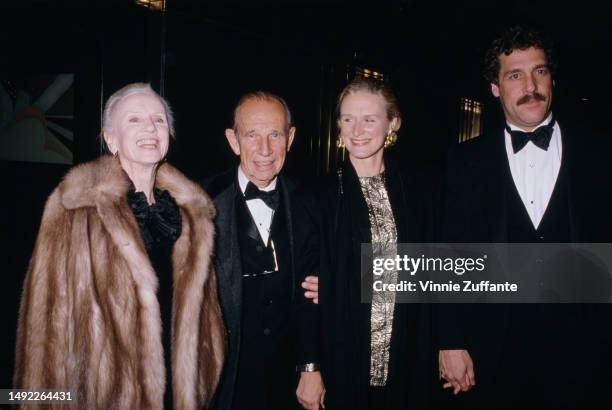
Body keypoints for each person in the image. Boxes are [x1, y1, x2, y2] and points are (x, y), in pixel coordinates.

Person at [13, 82, 225, 409]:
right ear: (111, 139)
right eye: (134, 120)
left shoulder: (194, 214)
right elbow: (46, 323)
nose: (149, 128)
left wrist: (203, 380)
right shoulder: (74, 206)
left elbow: (207, 317)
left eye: (158, 120)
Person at [439, 26, 612, 409]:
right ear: (495, 87)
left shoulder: (600, 154)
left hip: (587, 351)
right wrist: (450, 340)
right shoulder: (463, 162)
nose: (530, 86)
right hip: (492, 351)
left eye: (540, 71)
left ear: (553, 78)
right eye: (515, 75)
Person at [296, 77, 437, 410]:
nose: (357, 130)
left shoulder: (421, 189)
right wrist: (309, 366)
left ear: (393, 122)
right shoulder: (316, 196)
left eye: (369, 119)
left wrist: (344, 280)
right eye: (347, 119)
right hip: (342, 359)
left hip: (408, 356)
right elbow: (304, 294)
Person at [203, 91, 323, 410]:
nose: (265, 149)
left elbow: (317, 290)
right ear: (233, 140)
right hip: (223, 381)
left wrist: (310, 366)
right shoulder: (200, 203)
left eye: (275, 134)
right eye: (252, 135)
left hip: (288, 381)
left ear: (291, 137)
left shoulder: (311, 202)